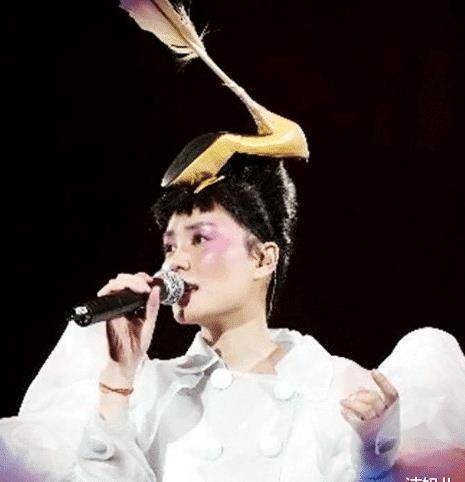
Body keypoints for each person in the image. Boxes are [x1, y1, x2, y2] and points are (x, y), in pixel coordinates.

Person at [1, 1, 464, 480]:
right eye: (169, 245)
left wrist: (374, 455)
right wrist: (118, 384)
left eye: (200, 238)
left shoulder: (335, 385)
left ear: (263, 257)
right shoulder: (149, 392)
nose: (176, 261)